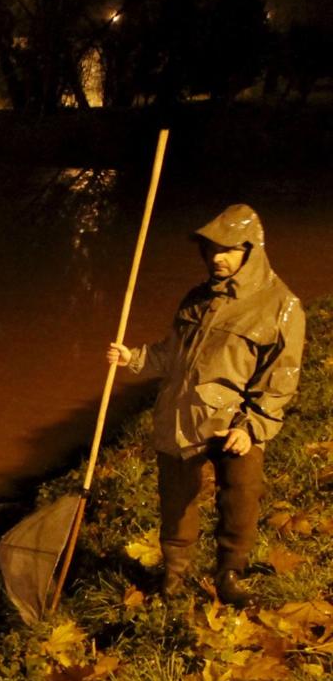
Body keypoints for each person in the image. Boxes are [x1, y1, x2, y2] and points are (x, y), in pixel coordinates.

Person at [107, 204, 305, 606]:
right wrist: (133, 359)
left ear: (252, 249)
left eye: (228, 250)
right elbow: (171, 354)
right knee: (176, 500)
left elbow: (281, 378)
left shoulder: (281, 305)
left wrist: (250, 427)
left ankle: (230, 572)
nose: (217, 258)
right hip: (182, 414)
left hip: (235, 423)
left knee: (240, 497)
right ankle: (175, 575)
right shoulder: (196, 298)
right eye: (211, 249)